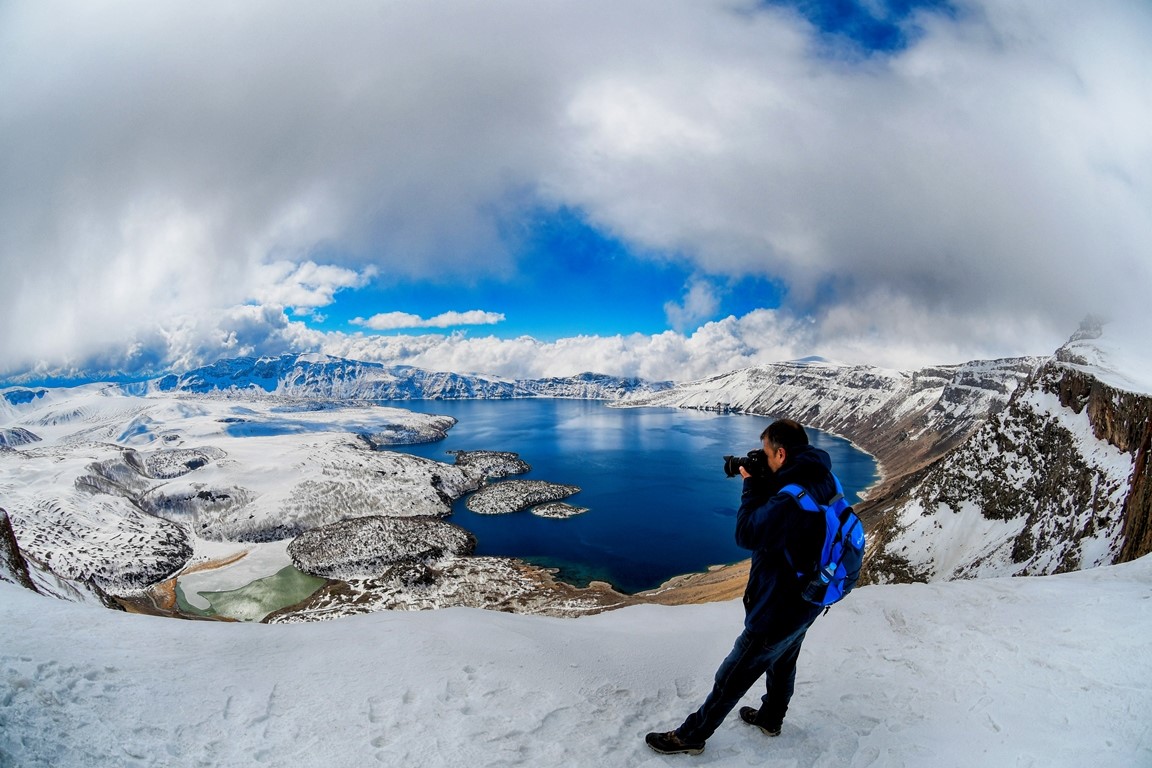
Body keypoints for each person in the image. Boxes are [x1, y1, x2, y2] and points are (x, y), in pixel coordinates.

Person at [645, 418, 837, 756]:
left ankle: (692, 735)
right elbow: (794, 525)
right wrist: (769, 477)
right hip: (808, 598)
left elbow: (746, 534)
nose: (761, 459)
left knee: (731, 676)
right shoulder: (821, 476)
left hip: (777, 607)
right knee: (783, 662)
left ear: (781, 452)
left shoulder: (791, 499)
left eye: (766, 453)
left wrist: (750, 484)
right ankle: (771, 718)